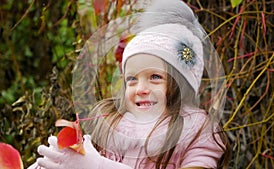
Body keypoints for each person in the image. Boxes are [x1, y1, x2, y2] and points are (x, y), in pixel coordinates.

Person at [28, 0, 229, 168]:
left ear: (181, 83)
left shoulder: (198, 132)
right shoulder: (112, 122)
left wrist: (101, 166)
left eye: (155, 77)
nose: (141, 89)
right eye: (132, 79)